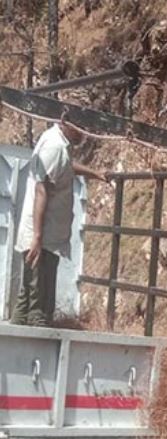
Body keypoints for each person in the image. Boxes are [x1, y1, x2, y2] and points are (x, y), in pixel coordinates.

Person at [12, 120, 109, 326]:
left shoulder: (58, 143)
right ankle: (33, 347)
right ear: (67, 124)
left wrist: (94, 173)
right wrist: (37, 238)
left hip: (48, 234)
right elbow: (41, 190)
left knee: (30, 294)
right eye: (81, 128)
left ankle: (15, 338)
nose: (84, 134)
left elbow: (63, 167)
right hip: (41, 234)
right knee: (38, 305)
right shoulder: (55, 145)